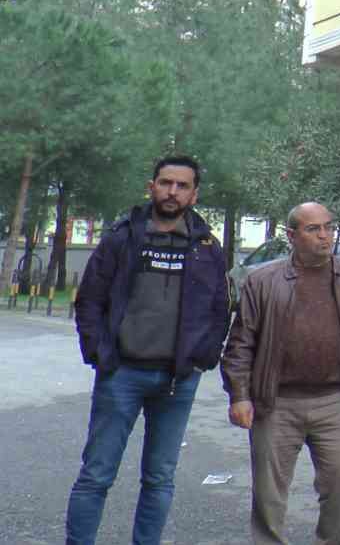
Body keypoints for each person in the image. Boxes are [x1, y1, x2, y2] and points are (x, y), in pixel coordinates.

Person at [66, 155, 231, 545]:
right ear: (152, 186)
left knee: (159, 479)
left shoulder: (206, 247)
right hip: (121, 375)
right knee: (96, 475)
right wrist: (100, 354)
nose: (172, 191)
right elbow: (89, 301)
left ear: (194, 194)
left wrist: (203, 357)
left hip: (177, 381)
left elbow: (219, 309)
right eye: (166, 183)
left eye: (182, 185)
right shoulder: (122, 237)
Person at [221, 202, 340, 545]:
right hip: (276, 401)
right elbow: (240, 342)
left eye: (328, 227)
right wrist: (240, 395)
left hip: (332, 400)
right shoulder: (263, 281)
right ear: (292, 235)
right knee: (269, 493)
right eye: (313, 229)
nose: (325, 236)